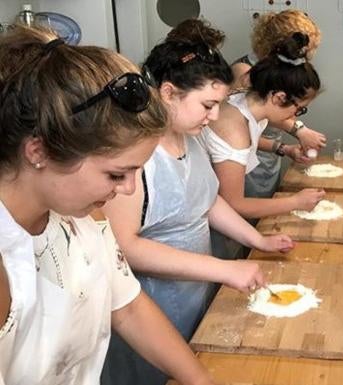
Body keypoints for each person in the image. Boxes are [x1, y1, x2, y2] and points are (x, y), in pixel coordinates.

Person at [0, 26, 223, 385]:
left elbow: (129, 307)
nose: (129, 188)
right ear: (38, 151)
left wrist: (202, 380)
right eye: (116, 174)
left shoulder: (87, 221)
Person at [101, 19, 294, 385]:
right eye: (208, 104)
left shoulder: (189, 140)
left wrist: (259, 242)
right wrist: (221, 269)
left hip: (195, 295)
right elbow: (126, 248)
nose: (215, 116)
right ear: (169, 93)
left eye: (219, 104)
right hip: (147, 312)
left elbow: (209, 202)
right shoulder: (134, 157)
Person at [200, 32, 325, 220]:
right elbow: (234, 204)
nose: (294, 116)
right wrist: (295, 202)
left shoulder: (245, 100)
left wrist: (286, 149)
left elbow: (245, 141)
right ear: (279, 97)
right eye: (299, 109)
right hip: (207, 217)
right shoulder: (234, 131)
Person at [231, 9, 326, 199]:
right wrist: (299, 129)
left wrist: (284, 148)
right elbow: (235, 204)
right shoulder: (244, 72)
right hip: (244, 164)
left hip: (267, 152)